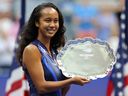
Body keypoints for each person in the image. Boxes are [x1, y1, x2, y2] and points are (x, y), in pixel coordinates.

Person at [16, 2, 89, 96]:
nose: (52, 25)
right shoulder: (32, 50)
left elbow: (62, 92)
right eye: (47, 20)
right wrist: (71, 81)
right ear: (37, 23)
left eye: (55, 21)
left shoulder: (56, 52)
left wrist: (71, 74)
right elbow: (41, 87)